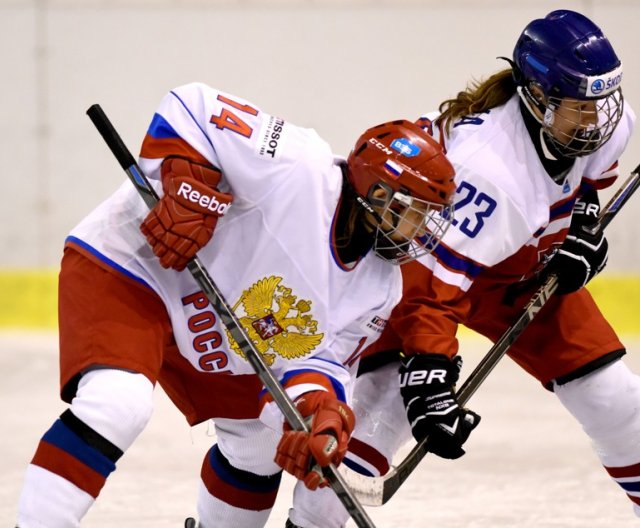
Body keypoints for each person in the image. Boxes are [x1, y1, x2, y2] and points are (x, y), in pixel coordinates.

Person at [15, 81, 458, 527]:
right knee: (118, 403)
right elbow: (191, 107)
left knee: (259, 448)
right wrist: (190, 187)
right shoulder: (299, 166)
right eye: (418, 213)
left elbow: (317, 363)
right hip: (138, 266)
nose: (422, 233)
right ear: (379, 197)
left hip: (218, 330)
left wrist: (320, 412)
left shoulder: (381, 288)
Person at [287, 9, 638, 527]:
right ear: (536, 98)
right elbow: (430, 291)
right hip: (407, 264)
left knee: (617, 399)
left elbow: (587, 188)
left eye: (600, 103)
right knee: (384, 411)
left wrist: (582, 231)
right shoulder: (492, 169)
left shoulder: (606, 126)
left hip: (513, 271)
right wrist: (429, 379)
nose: (595, 120)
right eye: (577, 107)